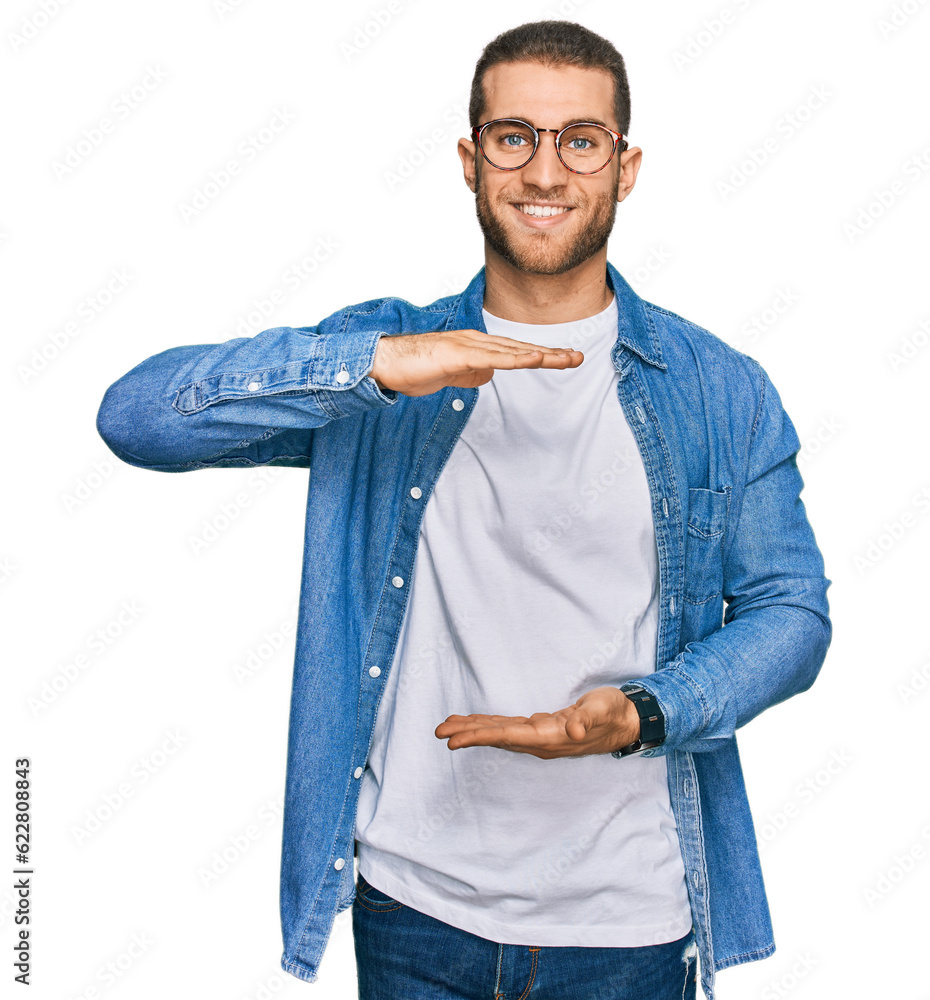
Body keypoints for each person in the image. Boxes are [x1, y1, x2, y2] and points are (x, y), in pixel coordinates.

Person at [95, 19, 831, 1000]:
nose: (545, 171)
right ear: (470, 158)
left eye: (581, 139)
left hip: (630, 929)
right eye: (513, 136)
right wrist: (369, 368)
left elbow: (793, 610)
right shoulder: (392, 358)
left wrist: (643, 712)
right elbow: (136, 415)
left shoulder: (718, 389)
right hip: (414, 915)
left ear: (627, 165)